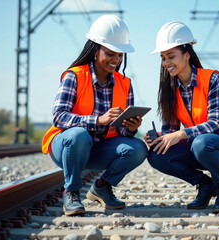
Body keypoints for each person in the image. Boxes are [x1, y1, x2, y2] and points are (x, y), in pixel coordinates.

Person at [42, 15, 148, 216]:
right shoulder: (75, 76)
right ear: (95, 50)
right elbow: (59, 116)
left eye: (120, 55)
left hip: (99, 148)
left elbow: (122, 132)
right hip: (67, 146)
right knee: (78, 135)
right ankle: (71, 193)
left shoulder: (125, 83)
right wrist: (97, 120)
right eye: (110, 53)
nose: (116, 60)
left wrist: (131, 128)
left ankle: (102, 187)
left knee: (139, 148)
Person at [145, 21, 219, 213]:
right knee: (157, 155)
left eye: (171, 56)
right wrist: (161, 137)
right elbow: (171, 132)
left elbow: (216, 124)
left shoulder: (211, 79)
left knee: (201, 143)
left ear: (187, 54)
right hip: (202, 146)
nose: (166, 62)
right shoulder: (170, 91)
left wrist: (181, 134)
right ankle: (205, 184)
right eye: (163, 58)